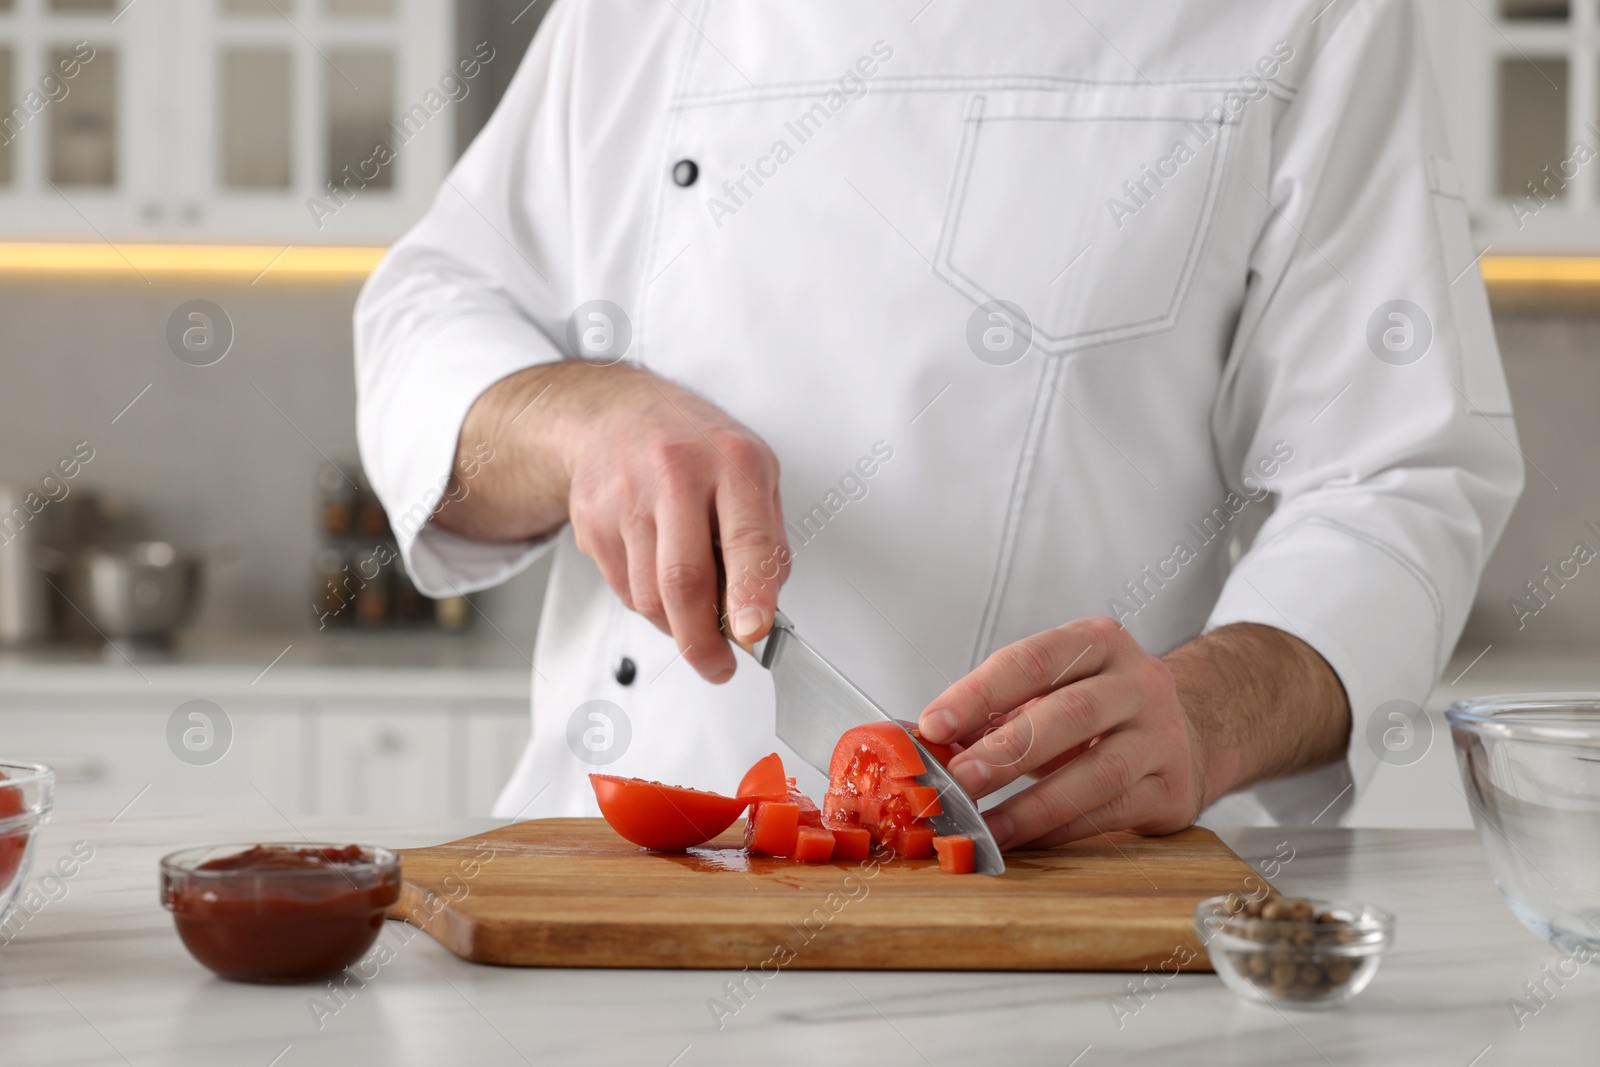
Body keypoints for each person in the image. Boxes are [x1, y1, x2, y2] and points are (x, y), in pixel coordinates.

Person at [354, 0, 1523, 845]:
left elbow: (1401, 475)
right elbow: (427, 311)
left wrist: (1208, 716)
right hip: (603, 879)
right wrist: (580, 419)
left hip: (1032, 898)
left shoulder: (1323, 17)